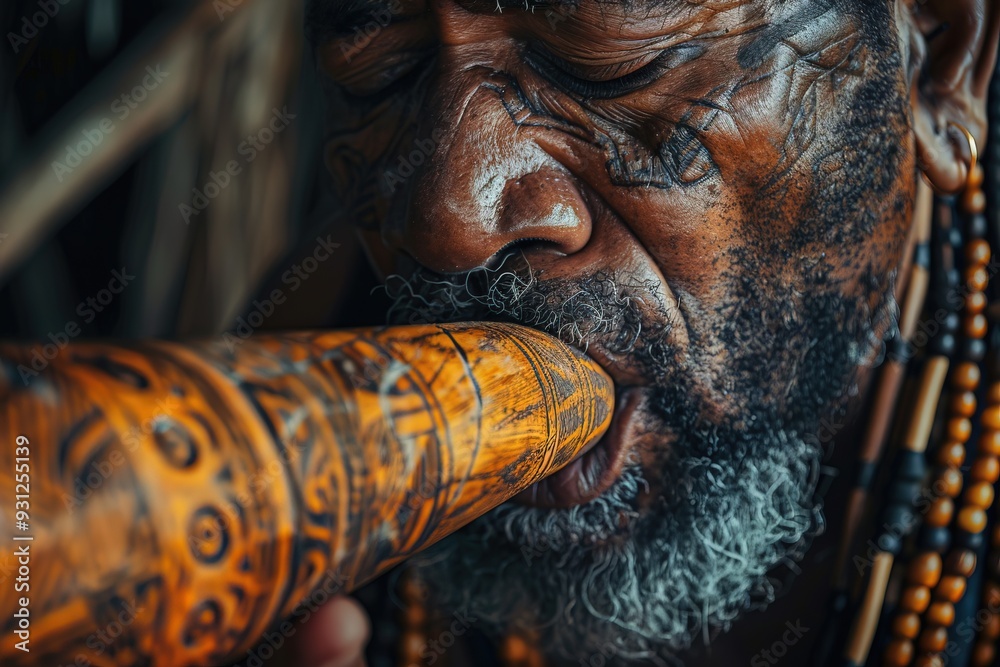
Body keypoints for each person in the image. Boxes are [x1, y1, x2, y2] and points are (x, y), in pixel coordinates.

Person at [288, 0, 1000, 664]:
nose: (448, 221)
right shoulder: (304, 378)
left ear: (940, 57)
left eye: (606, 65)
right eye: (380, 74)